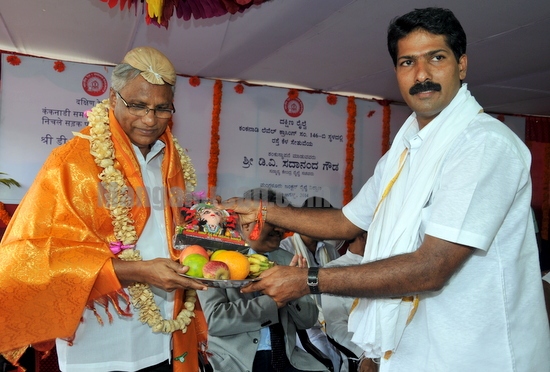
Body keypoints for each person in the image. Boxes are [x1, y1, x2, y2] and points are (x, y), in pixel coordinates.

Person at [222, 7, 550, 371]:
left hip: (474, 355)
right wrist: (265, 211)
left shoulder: (483, 144)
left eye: (436, 58)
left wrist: (308, 280)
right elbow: (347, 223)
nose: (422, 75)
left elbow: (432, 267)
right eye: (407, 62)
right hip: (413, 351)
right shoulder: (406, 146)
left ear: (462, 65)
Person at [0, 47, 209, 372]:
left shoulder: (172, 160)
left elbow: (175, 232)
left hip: (163, 343)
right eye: (137, 105)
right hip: (98, 346)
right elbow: (34, 256)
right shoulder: (71, 162)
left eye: (162, 108)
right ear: (113, 98)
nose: (150, 119)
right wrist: (136, 271)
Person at [197, 188, 329, 372]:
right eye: (274, 220)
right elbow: (217, 321)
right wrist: (273, 301)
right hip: (237, 362)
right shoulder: (215, 259)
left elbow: (308, 320)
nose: (281, 229)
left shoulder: (288, 258)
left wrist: (296, 289)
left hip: (288, 359)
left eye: (283, 221)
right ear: (246, 223)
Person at [280, 196, 342, 371]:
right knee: (329, 359)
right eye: (323, 221)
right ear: (307, 220)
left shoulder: (330, 250)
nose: (328, 226)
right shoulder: (286, 248)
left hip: (332, 319)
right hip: (303, 324)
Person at [320, 232, 368, 372]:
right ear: (361, 235)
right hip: (359, 360)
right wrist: (365, 355)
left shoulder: (391, 268)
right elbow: (336, 327)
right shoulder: (333, 272)